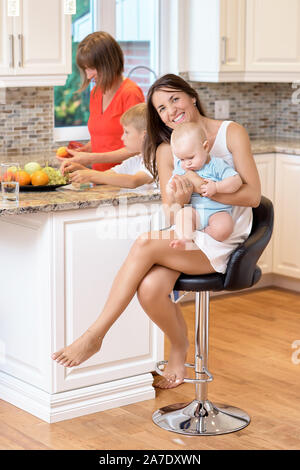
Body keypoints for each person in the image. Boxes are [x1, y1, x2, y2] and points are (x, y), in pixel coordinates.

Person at [52, 74, 261, 390]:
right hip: (189, 233)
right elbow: (171, 208)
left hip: (224, 237)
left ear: (191, 96)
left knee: (146, 242)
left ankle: (95, 335)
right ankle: (178, 348)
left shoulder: (230, 133)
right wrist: (179, 200)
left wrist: (204, 189)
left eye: (174, 99)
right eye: (161, 108)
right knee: (149, 290)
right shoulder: (167, 151)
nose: (171, 111)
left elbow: (253, 196)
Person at [57, 31, 144, 175]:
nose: (88, 75)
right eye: (85, 69)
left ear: (108, 64)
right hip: (101, 179)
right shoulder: (96, 93)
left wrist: (90, 158)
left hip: (125, 180)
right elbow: (106, 139)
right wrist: (85, 151)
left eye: (92, 68)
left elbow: (138, 148)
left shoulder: (130, 93)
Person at [167, 122, 242, 250]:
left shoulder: (216, 165)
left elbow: (236, 181)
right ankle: (185, 238)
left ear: (205, 147)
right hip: (195, 211)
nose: (186, 163)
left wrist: (217, 187)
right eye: (181, 159)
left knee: (224, 228)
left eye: (190, 157)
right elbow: (172, 185)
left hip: (217, 212)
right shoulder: (181, 167)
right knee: (183, 214)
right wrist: (171, 188)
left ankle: (203, 236)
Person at [66, 104, 156, 191]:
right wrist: (79, 169)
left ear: (144, 136)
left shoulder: (156, 161)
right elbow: (105, 176)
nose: (122, 137)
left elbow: (133, 181)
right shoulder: (136, 161)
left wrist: (90, 175)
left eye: (127, 132)